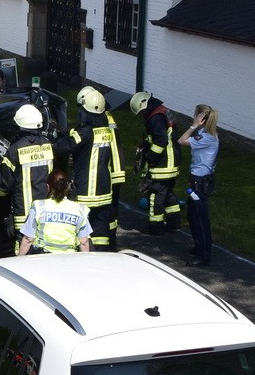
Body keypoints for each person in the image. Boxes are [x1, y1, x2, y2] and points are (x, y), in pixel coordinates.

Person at [56, 89, 114, 250]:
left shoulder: (85, 133)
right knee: (101, 230)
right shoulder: (106, 131)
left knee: (81, 229)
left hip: (86, 191)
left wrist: (51, 142)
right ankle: (102, 256)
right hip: (104, 191)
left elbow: (65, 146)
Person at [0, 104, 54, 253]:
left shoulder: (15, 149)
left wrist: (0, 195)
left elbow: (6, 182)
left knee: (24, 248)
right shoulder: (47, 145)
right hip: (45, 208)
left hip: (23, 211)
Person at [78, 85, 126, 250]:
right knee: (108, 215)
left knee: (104, 214)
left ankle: (106, 245)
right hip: (111, 172)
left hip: (106, 173)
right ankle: (109, 246)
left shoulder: (98, 124)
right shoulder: (107, 118)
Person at [130, 91, 181, 234]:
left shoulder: (155, 118)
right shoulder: (161, 112)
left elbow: (161, 141)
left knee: (154, 196)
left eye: (142, 112)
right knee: (168, 193)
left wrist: (149, 157)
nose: (142, 115)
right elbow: (156, 137)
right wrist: (144, 145)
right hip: (172, 163)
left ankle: (156, 227)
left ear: (144, 105)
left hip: (163, 165)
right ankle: (174, 223)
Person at [178, 104, 219, 266]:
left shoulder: (206, 137)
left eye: (196, 115)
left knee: (200, 219)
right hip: (198, 180)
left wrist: (193, 126)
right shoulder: (205, 134)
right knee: (192, 216)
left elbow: (181, 140)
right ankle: (199, 246)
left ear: (201, 119)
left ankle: (204, 255)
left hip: (200, 183)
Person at [18, 169, 92, 255]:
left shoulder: (39, 206)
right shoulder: (80, 210)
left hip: (42, 258)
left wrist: (19, 260)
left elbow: (28, 240)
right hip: (69, 258)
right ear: (68, 187)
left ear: (48, 187)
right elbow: (83, 242)